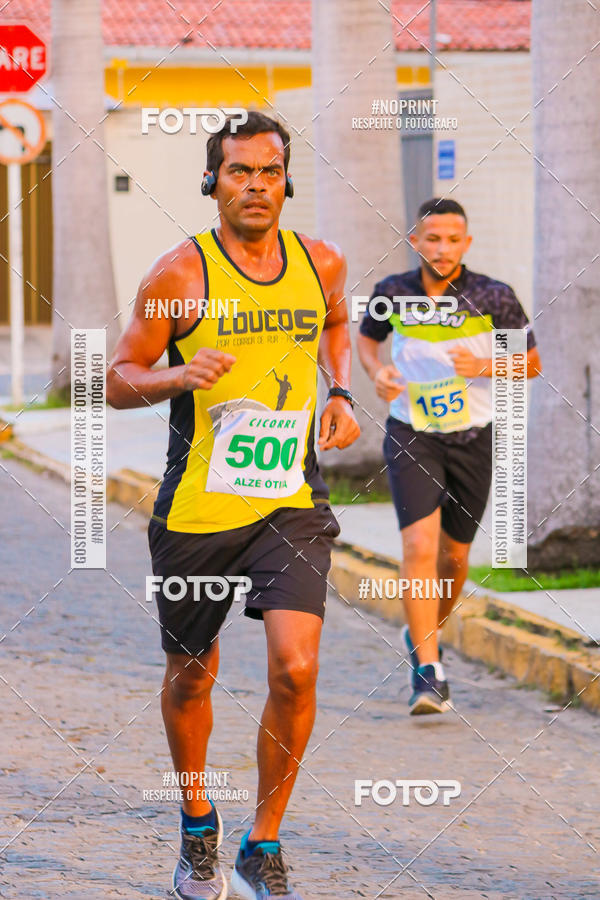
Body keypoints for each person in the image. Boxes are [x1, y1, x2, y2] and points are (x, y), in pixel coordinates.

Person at [106, 111, 360, 899]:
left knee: (297, 666)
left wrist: (341, 388)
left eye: (270, 171)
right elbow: (115, 378)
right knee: (191, 677)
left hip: (291, 502)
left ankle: (263, 840)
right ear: (213, 182)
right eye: (240, 171)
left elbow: (337, 321)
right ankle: (195, 826)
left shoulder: (321, 262)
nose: (256, 184)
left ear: (286, 180)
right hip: (198, 511)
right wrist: (177, 377)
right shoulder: (178, 276)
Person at [357, 197, 541, 715]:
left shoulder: (493, 296)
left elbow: (530, 363)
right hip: (413, 431)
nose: (442, 248)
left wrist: (485, 363)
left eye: (452, 239)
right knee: (419, 542)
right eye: (431, 238)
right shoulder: (391, 293)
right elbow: (368, 344)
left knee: (454, 557)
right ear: (415, 241)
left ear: (467, 243)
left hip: (473, 436)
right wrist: (376, 373)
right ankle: (429, 672)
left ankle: (424, 637)